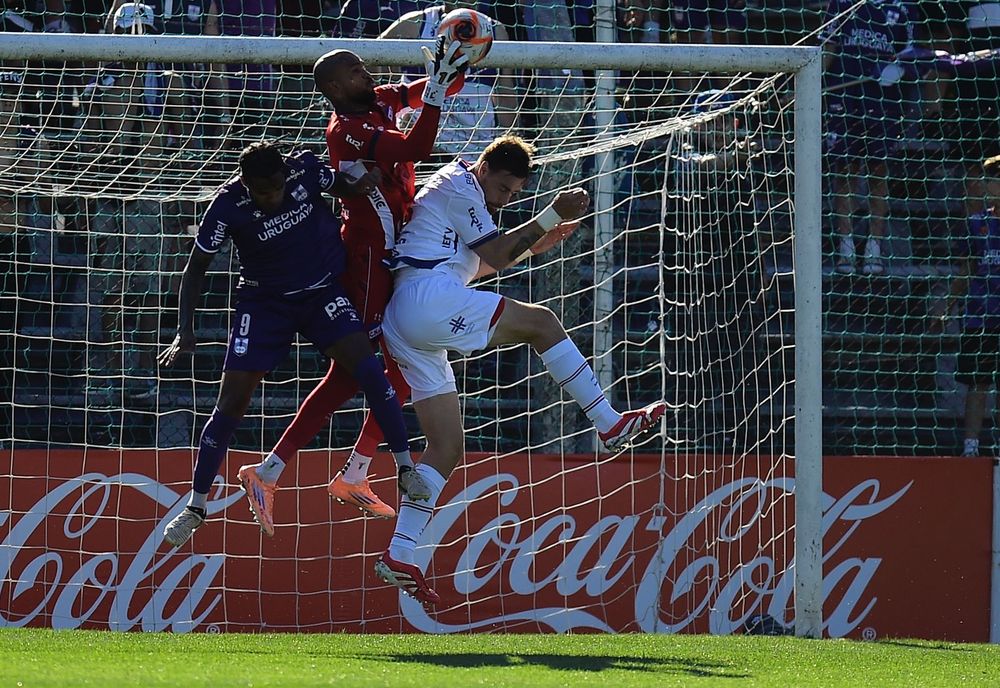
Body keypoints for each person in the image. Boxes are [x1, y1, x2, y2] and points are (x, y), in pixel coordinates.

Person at [372, 135, 667, 603]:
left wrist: (535, 244)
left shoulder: (463, 197)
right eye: (504, 188)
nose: (505, 199)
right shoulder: (461, 186)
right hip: (425, 302)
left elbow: (477, 265)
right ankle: (608, 423)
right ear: (485, 168)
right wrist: (551, 213)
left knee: (447, 447)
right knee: (543, 323)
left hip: (406, 317)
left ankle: (401, 552)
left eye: (514, 195)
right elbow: (495, 255)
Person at [233, 39, 468, 523]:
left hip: (399, 250)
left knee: (405, 363)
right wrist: (442, 85)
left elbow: (432, 91)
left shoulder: (378, 99)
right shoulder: (349, 129)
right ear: (336, 88)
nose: (367, 74)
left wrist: (454, 64)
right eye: (357, 72)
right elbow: (415, 147)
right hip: (368, 258)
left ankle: (352, 471)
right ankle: (272, 470)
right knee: (352, 371)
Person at [158, 141, 415, 547]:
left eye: (277, 187)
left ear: (284, 173)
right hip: (265, 305)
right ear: (246, 184)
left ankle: (405, 468)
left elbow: (342, 187)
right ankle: (195, 506)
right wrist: (184, 329)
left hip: (322, 295)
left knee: (370, 372)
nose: (273, 197)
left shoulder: (305, 170)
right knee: (230, 405)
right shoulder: (227, 206)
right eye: (263, 192)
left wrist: (362, 183)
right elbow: (195, 268)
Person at [820, 0, 915, 276]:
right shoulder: (843, 3)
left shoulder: (905, 7)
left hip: (884, 100)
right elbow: (828, 44)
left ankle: (874, 248)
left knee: (878, 170)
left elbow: (911, 51)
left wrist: (900, 68)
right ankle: (845, 248)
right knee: (845, 169)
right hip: (844, 94)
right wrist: (814, 81)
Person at [380, 1, 517, 160]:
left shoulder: (494, 30)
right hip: (423, 142)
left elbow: (506, 93)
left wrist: (508, 142)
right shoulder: (416, 22)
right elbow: (375, 59)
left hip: (473, 148)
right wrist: (393, 117)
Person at [953, 156, 1000, 457]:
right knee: (977, 383)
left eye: (994, 178)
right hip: (980, 317)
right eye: (990, 178)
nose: (990, 183)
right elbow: (967, 270)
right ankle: (970, 448)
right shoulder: (977, 223)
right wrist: (946, 304)